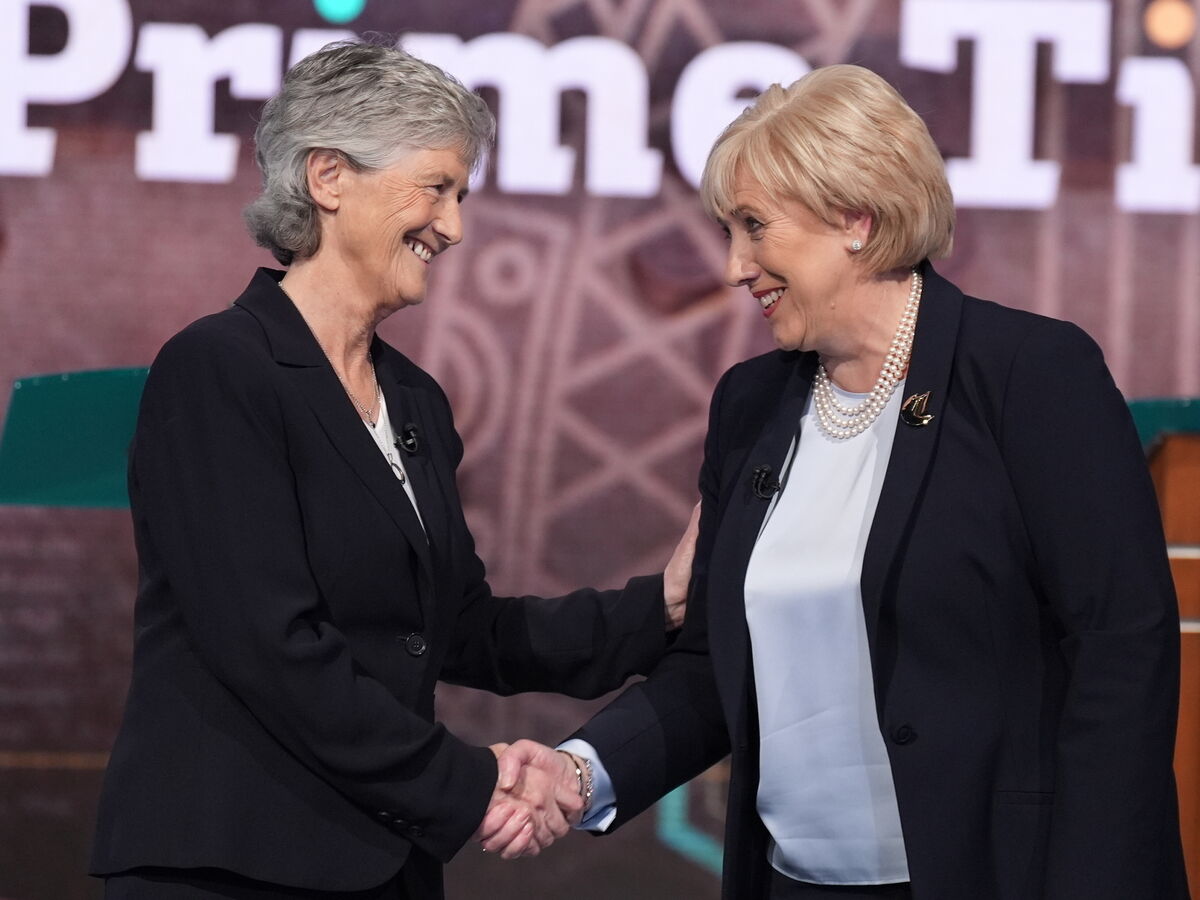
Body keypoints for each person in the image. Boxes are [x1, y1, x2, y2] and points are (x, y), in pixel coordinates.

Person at [488, 64, 1189, 899]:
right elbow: (717, 666)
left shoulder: (1029, 375)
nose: (734, 267)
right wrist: (583, 771)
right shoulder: (750, 404)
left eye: (754, 227)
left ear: (856, 218)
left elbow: (1122, 650)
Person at [88, 40, 696, 900]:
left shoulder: (414, 400)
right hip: (229, 865)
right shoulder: (219, 368)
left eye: (461, 196)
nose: (454, 227)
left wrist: (658, 605)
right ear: (329, 176)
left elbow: (461, 628)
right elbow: (271, 645)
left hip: (382, 865)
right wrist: (470, 783)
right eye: (435, 188)